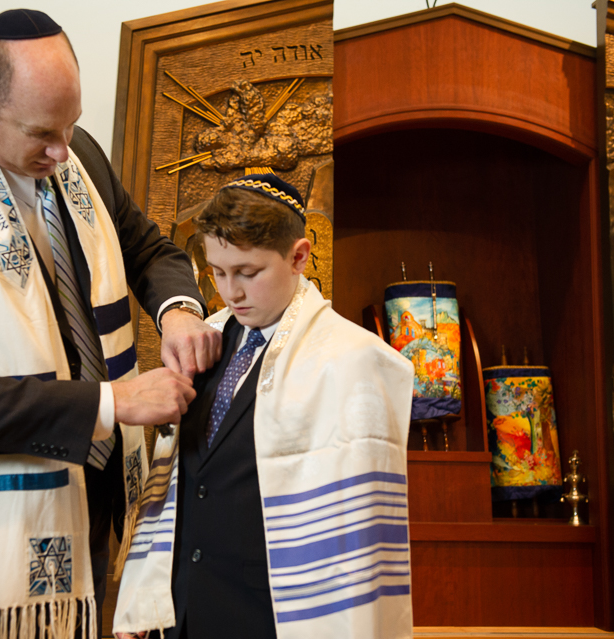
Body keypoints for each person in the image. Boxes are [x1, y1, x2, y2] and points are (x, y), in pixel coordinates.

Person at [0, 9, 221, 639]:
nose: (62, 152)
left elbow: (146, 248)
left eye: (72, 126)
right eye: (41, 133)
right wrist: (110, 401)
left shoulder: (75, 154)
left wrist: (178, 309)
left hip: (107, 490)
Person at [113, 175, 415, 639]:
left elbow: (356, 538)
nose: (230, 292)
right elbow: (179, 485)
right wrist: (144, 596)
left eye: (248, 273)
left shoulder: (353, 360)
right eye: (217, 271)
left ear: (299, 256)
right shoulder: (203, 341)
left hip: (276, 615)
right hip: (184, 612)